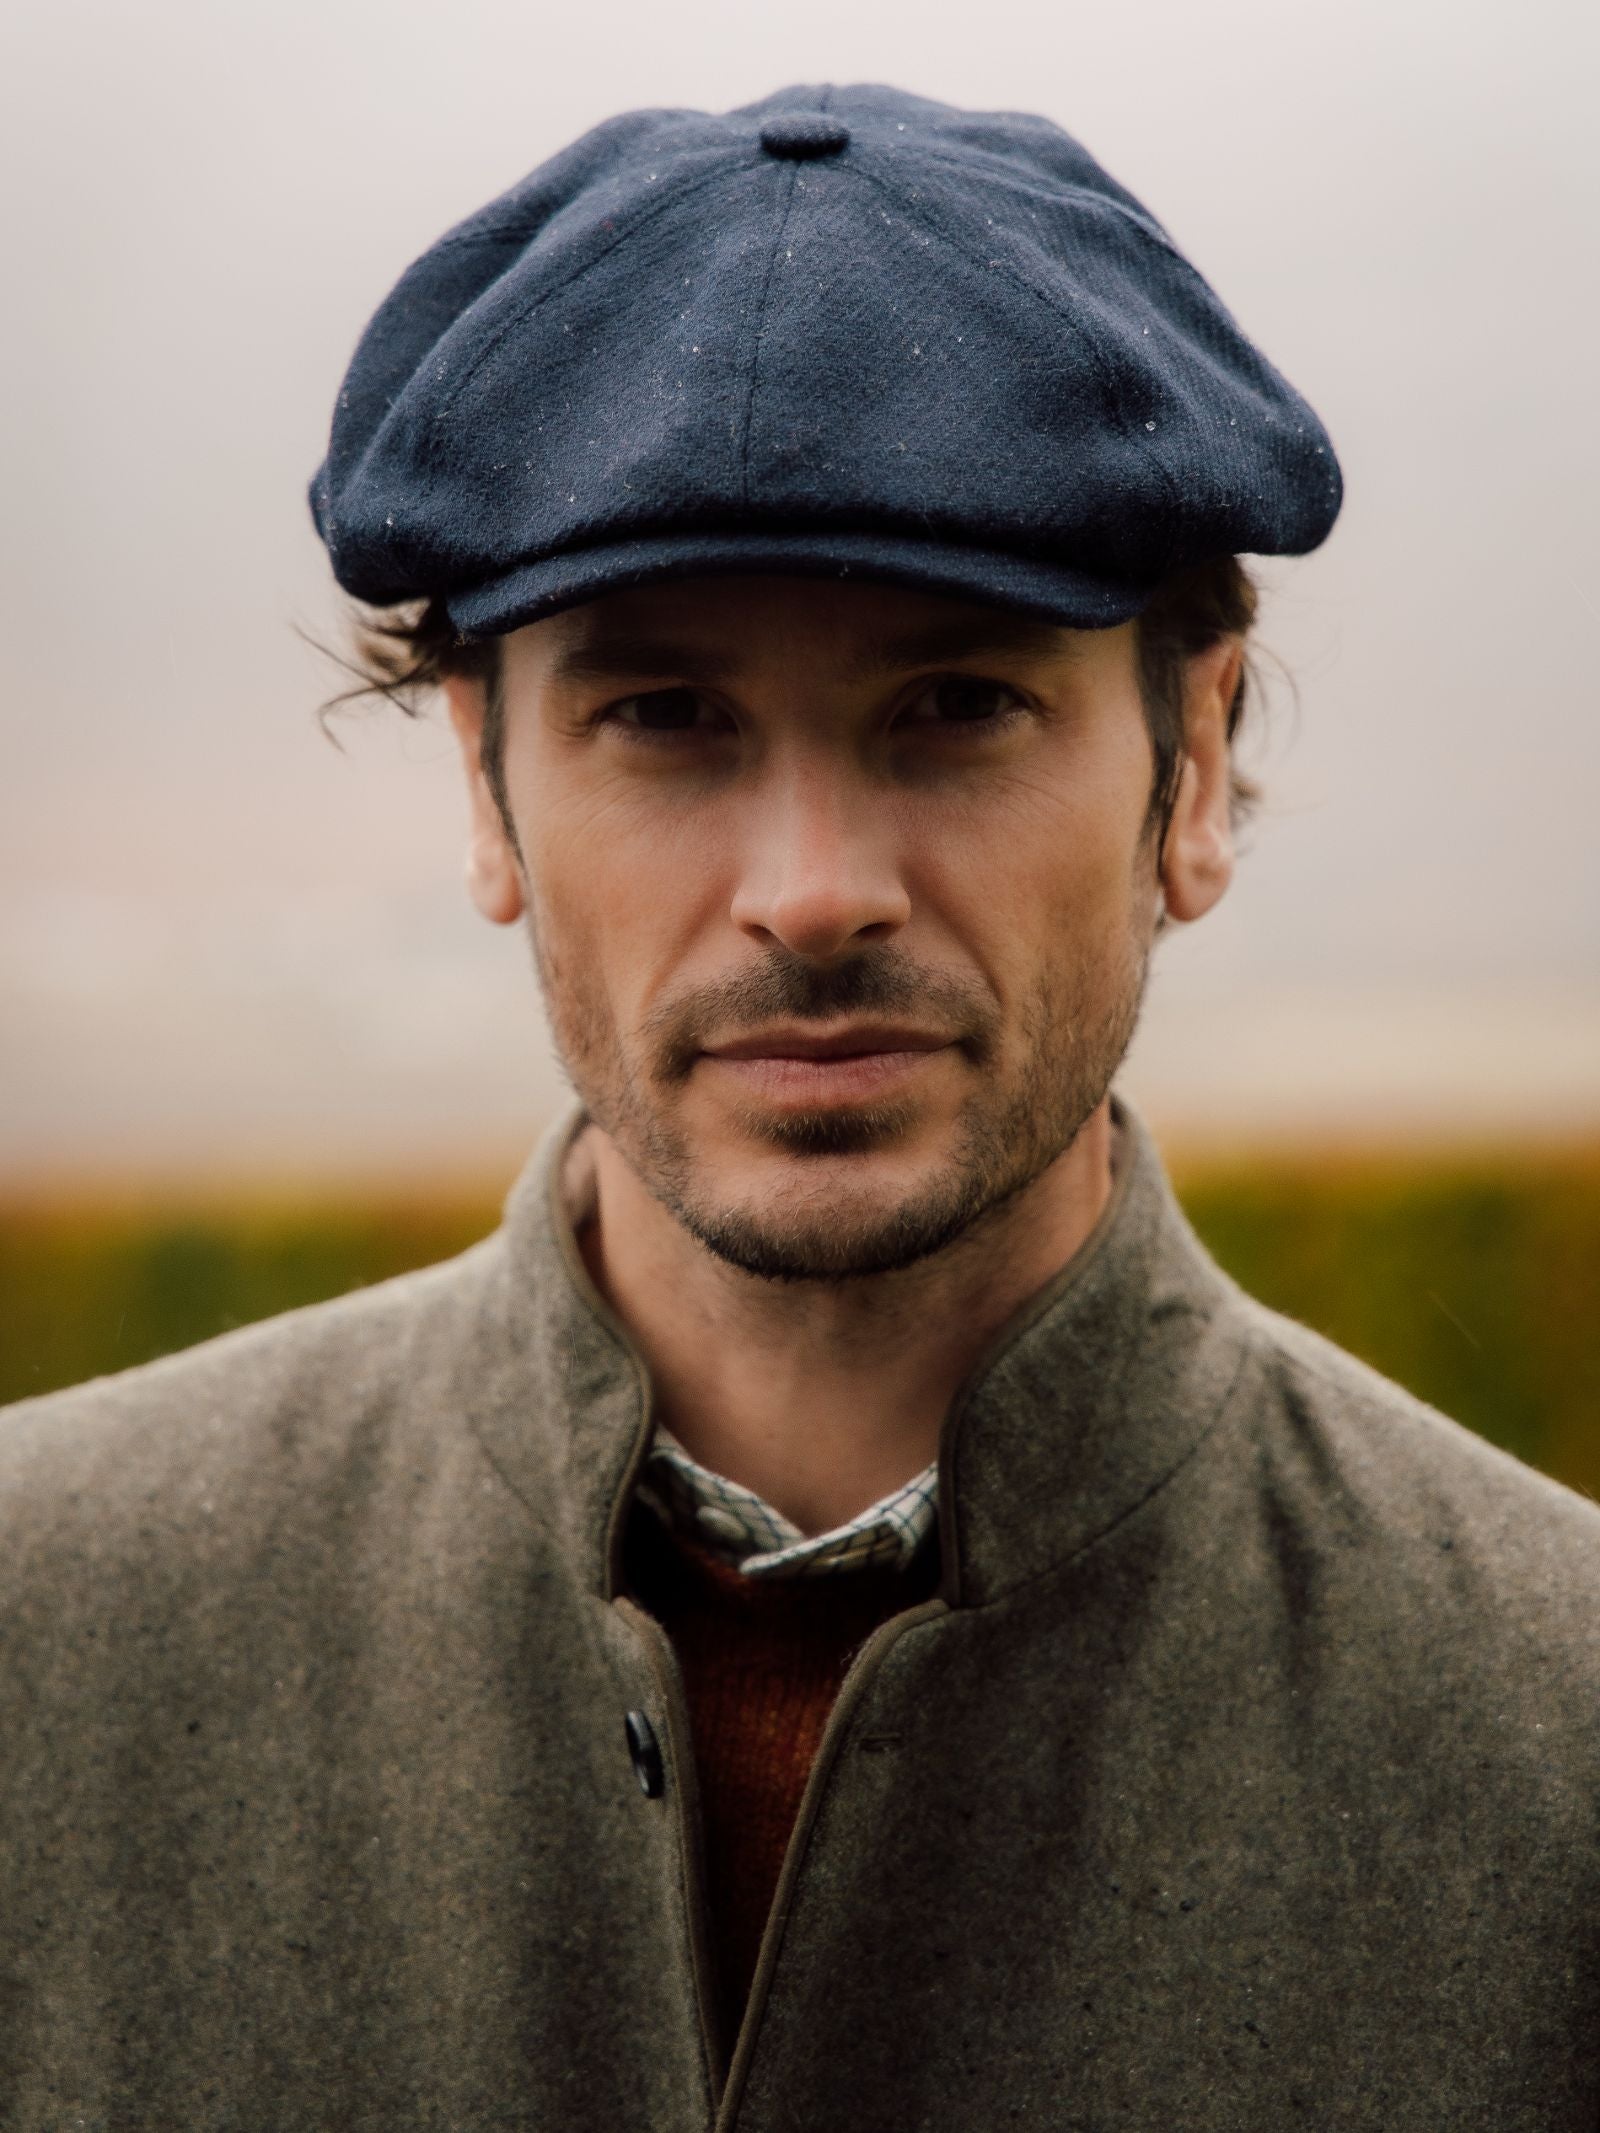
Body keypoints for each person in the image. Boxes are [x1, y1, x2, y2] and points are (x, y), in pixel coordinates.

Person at [2, 82, 1596, 2133]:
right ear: (485, 789)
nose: (809, 882)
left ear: (1185, 773)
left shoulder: (1553, 1745)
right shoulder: (40, 1643)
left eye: (955, 702)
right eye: (662, 715)